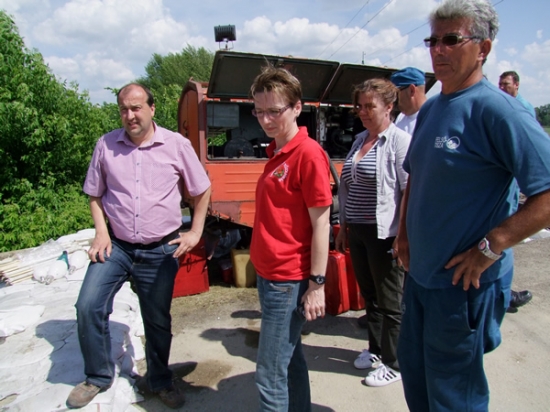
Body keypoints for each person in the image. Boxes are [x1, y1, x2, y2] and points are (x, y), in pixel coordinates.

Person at [396, 0, 550, 410]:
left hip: (462, 287)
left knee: (453, 396)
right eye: (432, 41)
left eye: (451, 39)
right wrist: (405, 235)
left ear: (483, 48)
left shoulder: (499, 110)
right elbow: (416, 178)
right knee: (417, 380)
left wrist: (490, 246)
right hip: (421, 278)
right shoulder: (432, 107)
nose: (438, 50)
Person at [66, 83, 211, 410]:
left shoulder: (176, 145)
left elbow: (202, 189)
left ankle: (160, 380)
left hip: (160, 249)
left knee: (157, 319)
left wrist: (195, 232)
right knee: (88, 305)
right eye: (123, 109)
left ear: (151, 108)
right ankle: (98, 377)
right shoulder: (106, 145)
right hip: (116, 246)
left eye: (136, 108)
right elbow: (94, 195)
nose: (130, 115)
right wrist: (101, 233)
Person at [249, 65, 332, 411]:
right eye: (259, 111)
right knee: (290, 358)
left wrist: (316, 284)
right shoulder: (277, 152)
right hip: (269, 275)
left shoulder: (307, 154)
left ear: (297, 107)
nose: (266, 120)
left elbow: (322, 224)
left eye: (274, 111)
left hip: (288, 280)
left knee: (269, 375)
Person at [335, 78, 409, 387]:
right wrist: (344, 227)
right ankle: (377, 351)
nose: (362, 112)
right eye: (359, 106)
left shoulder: (399, 141)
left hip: (384, 233)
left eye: (370, 106)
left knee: (390, 300)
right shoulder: (360, 140)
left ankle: (396, 363)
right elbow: (347, 187)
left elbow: (408, 191)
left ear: (389, 107)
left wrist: (403, 237)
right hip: (358, 230)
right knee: (371, 296)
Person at [499, 70, 536, 312]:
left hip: (509, 182)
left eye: (506, 84)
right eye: (500, 84)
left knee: (504, 240)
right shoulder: (500, 106)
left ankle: (505, 295)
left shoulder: (522, 109)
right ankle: (502, 294)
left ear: (517, 85)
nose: (502, 88)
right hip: (502, 182)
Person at [390, 67, 428, 134]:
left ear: (411, 90)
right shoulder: (401, 117)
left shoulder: (433, 118)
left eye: (396, 93)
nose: (393, 99)